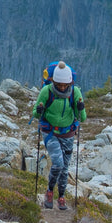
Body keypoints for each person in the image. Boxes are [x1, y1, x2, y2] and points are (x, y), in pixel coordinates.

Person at [31, 62, 85, 210]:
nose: (62, 87)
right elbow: (35, 113)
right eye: (59, 84)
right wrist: (40, 110)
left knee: (65, 168)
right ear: (54, 81)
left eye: (64, 85)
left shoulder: (75, 92)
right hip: (50, 132)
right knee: (58, 163)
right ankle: (49, 191)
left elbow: (83, 118)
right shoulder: (46, 91)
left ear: (70, 82)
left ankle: (61, 196)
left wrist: (81, 109)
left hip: (68, 133)